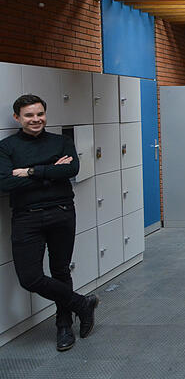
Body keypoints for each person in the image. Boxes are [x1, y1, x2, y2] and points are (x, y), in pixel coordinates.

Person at [0, 94, 100, 352]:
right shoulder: (6, 147)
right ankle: (81, 304)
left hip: (61, 212)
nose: (36, 119)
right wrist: (50, 171)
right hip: (26, 217)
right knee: (30, 278)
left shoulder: (61, 142)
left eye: (40, 114)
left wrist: (30, 171)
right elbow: (5, 183)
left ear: (45, 114)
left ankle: (64, 326)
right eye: (29, 115)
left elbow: (71, 170)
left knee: (60, 270)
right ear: (17, 118)